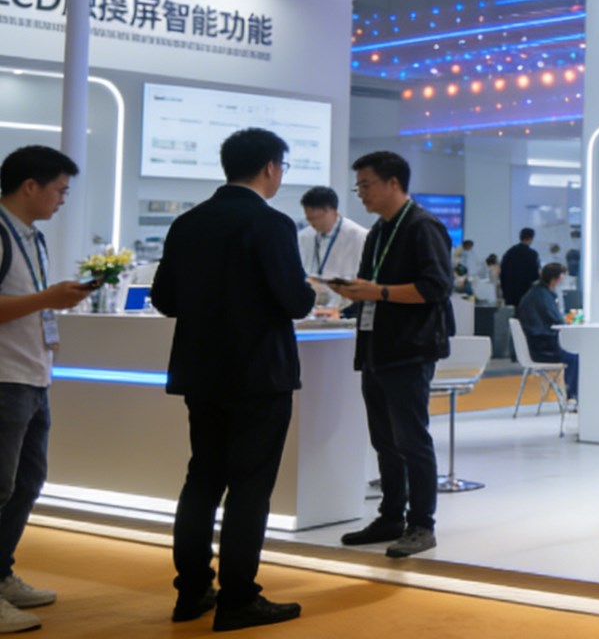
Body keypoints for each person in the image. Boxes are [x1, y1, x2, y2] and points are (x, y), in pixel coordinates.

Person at [153, 129, 316, 631]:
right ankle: (238, 598)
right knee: (250, 487)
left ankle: (191, 592)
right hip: (260, 374)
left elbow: (164, 299)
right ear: (270, 167)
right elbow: (296, 301)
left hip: (200, 372)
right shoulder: (272, 224)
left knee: (202, 479)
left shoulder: (187, 222)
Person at [334, 152, 454, 559]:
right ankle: (390, 517)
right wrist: (351, 295)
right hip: (376, 347)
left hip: (410, 349)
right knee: (384, 440)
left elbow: (436, 288)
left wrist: (377, 291)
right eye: (359, 187)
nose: (361, 193)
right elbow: (372, 288)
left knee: (411, 440)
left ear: (393, 183)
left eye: (366, 185)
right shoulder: (378, 232)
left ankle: (422, 524)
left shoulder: (422, 226)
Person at [0, 147, 92, 633]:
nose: (62, 199)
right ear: (30, 186)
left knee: (26, 483)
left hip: (33, 375)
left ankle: (2, 573)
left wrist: (51, 301)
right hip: (4, 377)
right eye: (59, 190)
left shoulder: (32, 237)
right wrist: (46, 298)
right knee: (1, 486)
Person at [298, 185, 368, 315]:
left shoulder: (359, 236)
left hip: (345, 310)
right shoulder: (304, 236)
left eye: (316, 218)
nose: (313, 223)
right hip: (312, 308)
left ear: (331, 211)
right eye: (309, 219)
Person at [516, 262, 579, 402]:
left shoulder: (536, 294)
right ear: (554, 280)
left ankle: (573, 395)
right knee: (575, 357)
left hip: (537, 344)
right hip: (543, 348)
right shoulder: (543, 297)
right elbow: (556, 320)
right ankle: (573, 396)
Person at [498, 228, 540, 307]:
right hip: (527, 294)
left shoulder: (509, 253)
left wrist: (504, 292)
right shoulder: (532, 254)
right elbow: (535, 276)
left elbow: (502, 274)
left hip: (510, 293)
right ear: (531, 238)